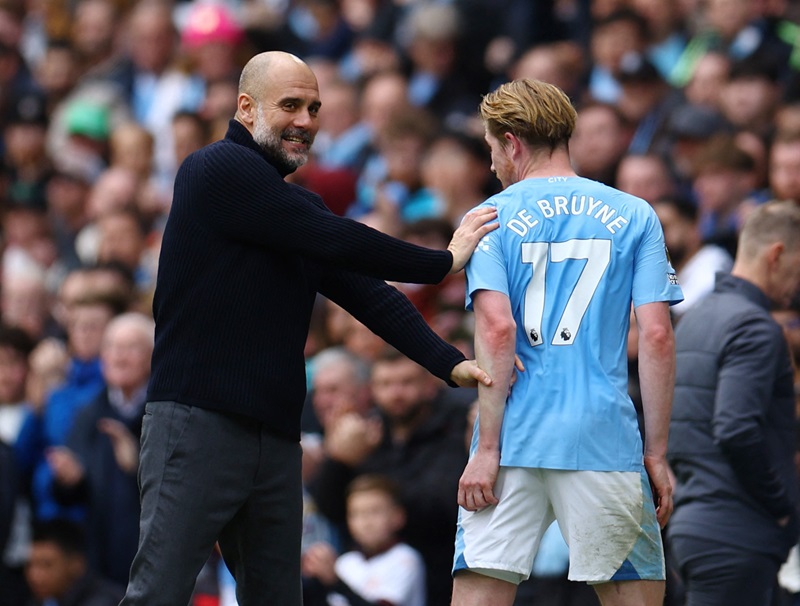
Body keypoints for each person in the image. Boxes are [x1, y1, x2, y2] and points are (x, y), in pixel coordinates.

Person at [120, 50, 497, 606]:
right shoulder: (215, 169)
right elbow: (341, 240)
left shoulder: (296, 210)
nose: (306, 120)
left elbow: (363, 292)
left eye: (315, 107)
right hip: (197, 424)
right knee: (158, 592)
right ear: (245, 107)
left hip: (274, 437)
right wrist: (440, 262)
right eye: (290, 104)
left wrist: (445, 360)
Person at [451, 78, 683, 606]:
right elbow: (656, 335)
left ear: (511, 142)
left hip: (512, 438)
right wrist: (658, 452)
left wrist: (487, 448)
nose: (491, 165)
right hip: (603, 437)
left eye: (491, 149)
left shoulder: (487, 218)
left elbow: (497, 330)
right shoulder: (635, 213)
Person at [667, 200, 800, 606]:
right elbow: (736, 428)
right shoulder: (755, 327)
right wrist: (782, 505)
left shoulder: (696, 317)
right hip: (737, 531)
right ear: (776, 254)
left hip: (696, 525)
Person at [308, 347, 471, 604]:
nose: (396, 393)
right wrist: (339, 461)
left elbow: (444, 503)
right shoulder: (367, 434)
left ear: (429, 385)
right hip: (370, 573)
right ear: (372, 389)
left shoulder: (453, 429)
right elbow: (331, 509)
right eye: (385, 384)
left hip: (443, 577)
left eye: (406, 383)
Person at [302, 474, 426, 606]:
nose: (366, 522)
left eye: (374, 511)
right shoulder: (346, 562)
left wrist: (335, 582)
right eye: (356, 513)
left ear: (398, 517)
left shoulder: (405, 559)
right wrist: (316, 578)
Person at [24, 519, 124, 606]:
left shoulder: (106, 601)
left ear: (76, 564)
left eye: (47, 565)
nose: (35, 576)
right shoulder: (41, 600)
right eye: (30, 565)